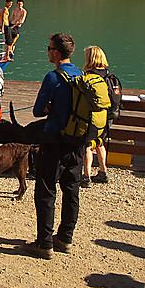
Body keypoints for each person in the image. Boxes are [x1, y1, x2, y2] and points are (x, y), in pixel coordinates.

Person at [24, 33, 83, 259]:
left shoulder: (53, 77)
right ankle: (65, 238)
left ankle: (44, 243)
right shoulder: (81, 75)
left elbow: (38, 111)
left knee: (46, 191)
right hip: (77, 142)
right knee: (71, 191)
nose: (47, 51)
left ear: (56, 53)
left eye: (48, 48)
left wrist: (49, 107)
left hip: (54, 141)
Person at [81, 46, 111, 187]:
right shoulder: (109, 75)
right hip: (106, 116)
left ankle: (86, 176)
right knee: (100, 142)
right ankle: (103, 172)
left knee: (87, 145)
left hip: (92, 116)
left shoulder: (90, 76)